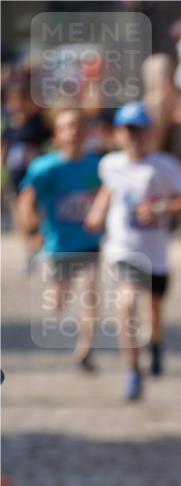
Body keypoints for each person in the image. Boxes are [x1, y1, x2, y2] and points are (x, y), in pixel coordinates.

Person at [85, 102, 181, 401]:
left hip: (156, 252)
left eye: (139, 130)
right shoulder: (110, 164)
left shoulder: (165, 166)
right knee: (126, 302)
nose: (134, 136)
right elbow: (109, 190)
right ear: (119, 133)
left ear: (151, 133)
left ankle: (155, 343)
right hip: (122, 247)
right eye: (128, 130)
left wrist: (161, 208)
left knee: (154, 311)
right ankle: (132, 369)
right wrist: (97, 213)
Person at [17, 108, 102, 371]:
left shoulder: (95, 165)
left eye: (79, 126)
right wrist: (30, 231)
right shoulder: (46, 167)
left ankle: (84, 349)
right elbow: (26, 199)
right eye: (68, 126)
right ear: (58, 134)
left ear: (87, 132)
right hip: (59, 245)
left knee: (91, 295)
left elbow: (105, 193)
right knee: (58, 302)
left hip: (89, 241)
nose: (74, 132)